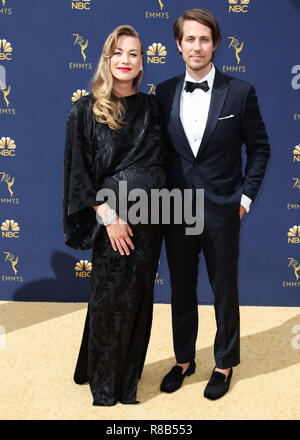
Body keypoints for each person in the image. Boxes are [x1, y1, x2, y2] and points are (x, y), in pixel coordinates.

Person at [156, 8, 270, 400]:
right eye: (190, 39)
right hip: (176, 209)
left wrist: (245, 199)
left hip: (223, 207)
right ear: (178, 45)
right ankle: (183, 359)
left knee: (224, 289)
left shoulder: (240, 92)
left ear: (215, 44)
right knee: (181, 289)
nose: (197, 46)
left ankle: (223, 363)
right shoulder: (164, 91)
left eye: (205, 39)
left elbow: (260, 149)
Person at [63, 25, 166, 406]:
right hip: (114, 221)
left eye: (134, 53)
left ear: (143, 62)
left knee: (138, 298)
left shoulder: (153, 106)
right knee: (109, 298)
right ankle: (106, 387)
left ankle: (123, 378)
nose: (126, 60)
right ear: (107, 59)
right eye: (118, 52)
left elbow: (165, 160)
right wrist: (109, 217)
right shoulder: (85, 110)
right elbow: (79, 174)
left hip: (152, 218)